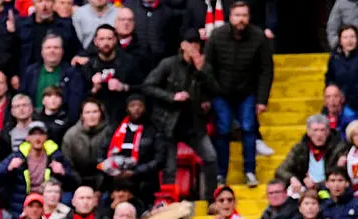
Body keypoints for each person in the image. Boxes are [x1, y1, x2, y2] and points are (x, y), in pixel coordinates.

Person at [142, 31, 218, 196]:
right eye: (191, 44)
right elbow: (148, 86)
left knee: (211, 157)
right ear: (183, 45)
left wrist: (201, 70)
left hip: (193, 123)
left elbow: (214, 90)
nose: (195, 48)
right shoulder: (168, 64)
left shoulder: (204, 66)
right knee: (170, 168)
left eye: (198, 45)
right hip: (168, 123)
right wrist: (172, 97)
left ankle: (211, 201)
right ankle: (168, 209)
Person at [205, 2, 272, 187]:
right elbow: (207, 67)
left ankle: (250, 172)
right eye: (237, 15)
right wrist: (212, 91)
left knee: (249, 129)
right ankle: (221, 175)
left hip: (247, 93)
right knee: (223, 130)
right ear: (229, 17)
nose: (240, 19)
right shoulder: (217, 36)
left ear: (249, 17)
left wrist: (262, 100)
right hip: (221, 93)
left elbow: (266, 70)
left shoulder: (258, 37)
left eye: (244, 15)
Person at [275, 115, 339, 194]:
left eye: (322, 130)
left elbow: (340, 177)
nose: (319, 134)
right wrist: (292, 178)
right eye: (315, 130)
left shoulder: (338, 148)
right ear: (308, 132)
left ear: (328, 131)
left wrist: (316, 185)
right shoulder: (300, 148)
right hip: (305, 191)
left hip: (330, 190)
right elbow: (281, 170)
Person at [326, 24, 358, 111]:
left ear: (357, 39)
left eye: (352, 37)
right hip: (340, 104)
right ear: (340, 41)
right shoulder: (334, 58)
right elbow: (329, 79)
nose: (349, 40)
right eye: (345, 37)